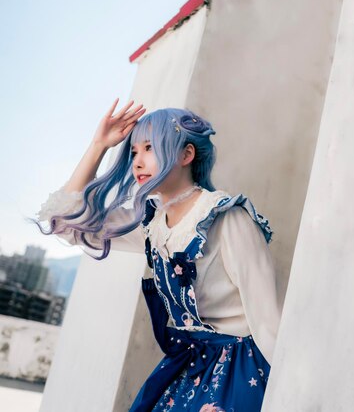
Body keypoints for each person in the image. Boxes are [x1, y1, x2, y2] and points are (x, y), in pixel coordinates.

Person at [35, 98, 280, 412]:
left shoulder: (225, 219)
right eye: (134, 151)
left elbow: (269, 324)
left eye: (149, 148)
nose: (137, 162)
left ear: (186, 155)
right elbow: (66, 225)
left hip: (238, 374)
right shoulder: (151, 225)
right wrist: (99, 146)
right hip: (187, 370)